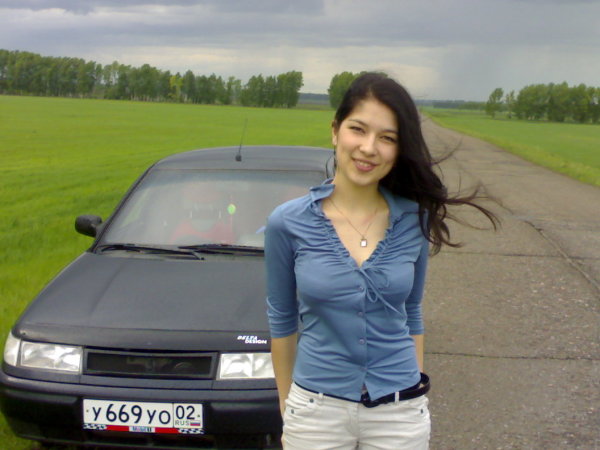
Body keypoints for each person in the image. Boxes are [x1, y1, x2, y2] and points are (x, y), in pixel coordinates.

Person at [265, 72, 497, 449]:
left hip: (399, 414)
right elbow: (281, 317)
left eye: (387, 138)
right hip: (314, 413)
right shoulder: (287, 222)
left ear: (399, 149)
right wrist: (286, 401)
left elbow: (412, 311)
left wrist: (414, 389)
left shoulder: (414, 219)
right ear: (335, 131)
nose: (369, 148)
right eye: (358, 129)